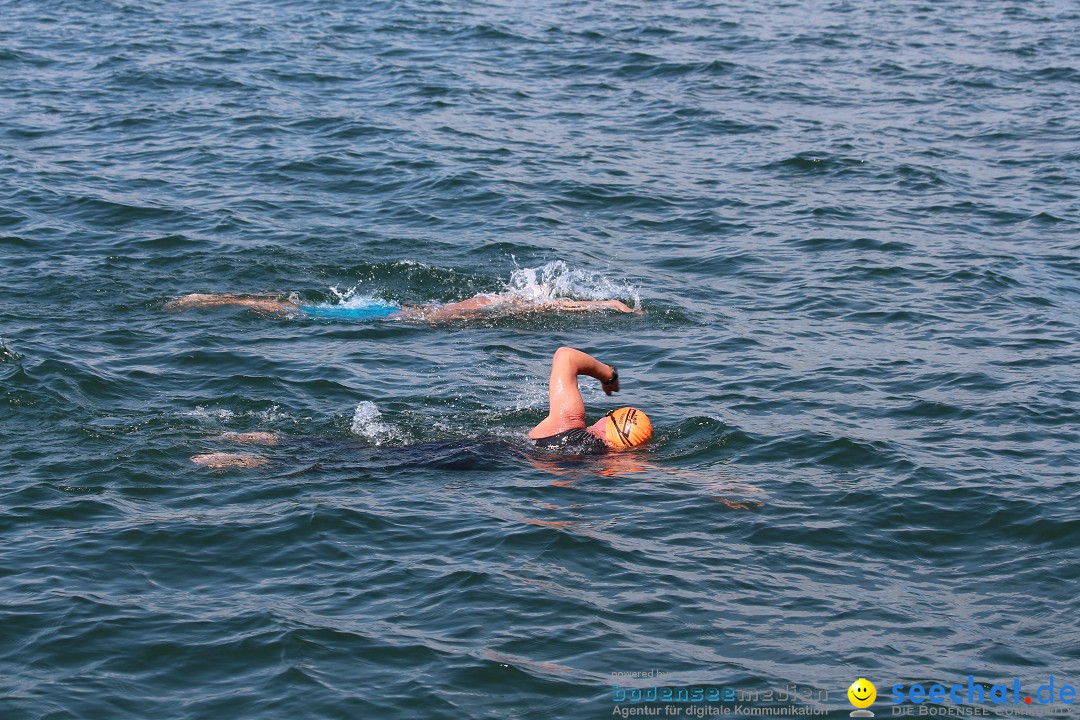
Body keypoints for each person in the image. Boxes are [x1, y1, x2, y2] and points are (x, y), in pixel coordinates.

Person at [165, 292, 636, 321]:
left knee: (296, 310)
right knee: (296, 312)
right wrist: (606, 305)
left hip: (390, 312)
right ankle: (212, 298)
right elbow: (530, 305)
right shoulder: (489, 305)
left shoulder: (489, 303)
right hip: (396, 317)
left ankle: (213, 298)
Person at [529, 346, 653, 452]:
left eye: (609, 414)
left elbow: (565, 356)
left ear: (608, 425)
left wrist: (609, 375)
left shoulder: (568, 423)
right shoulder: (609, 461)